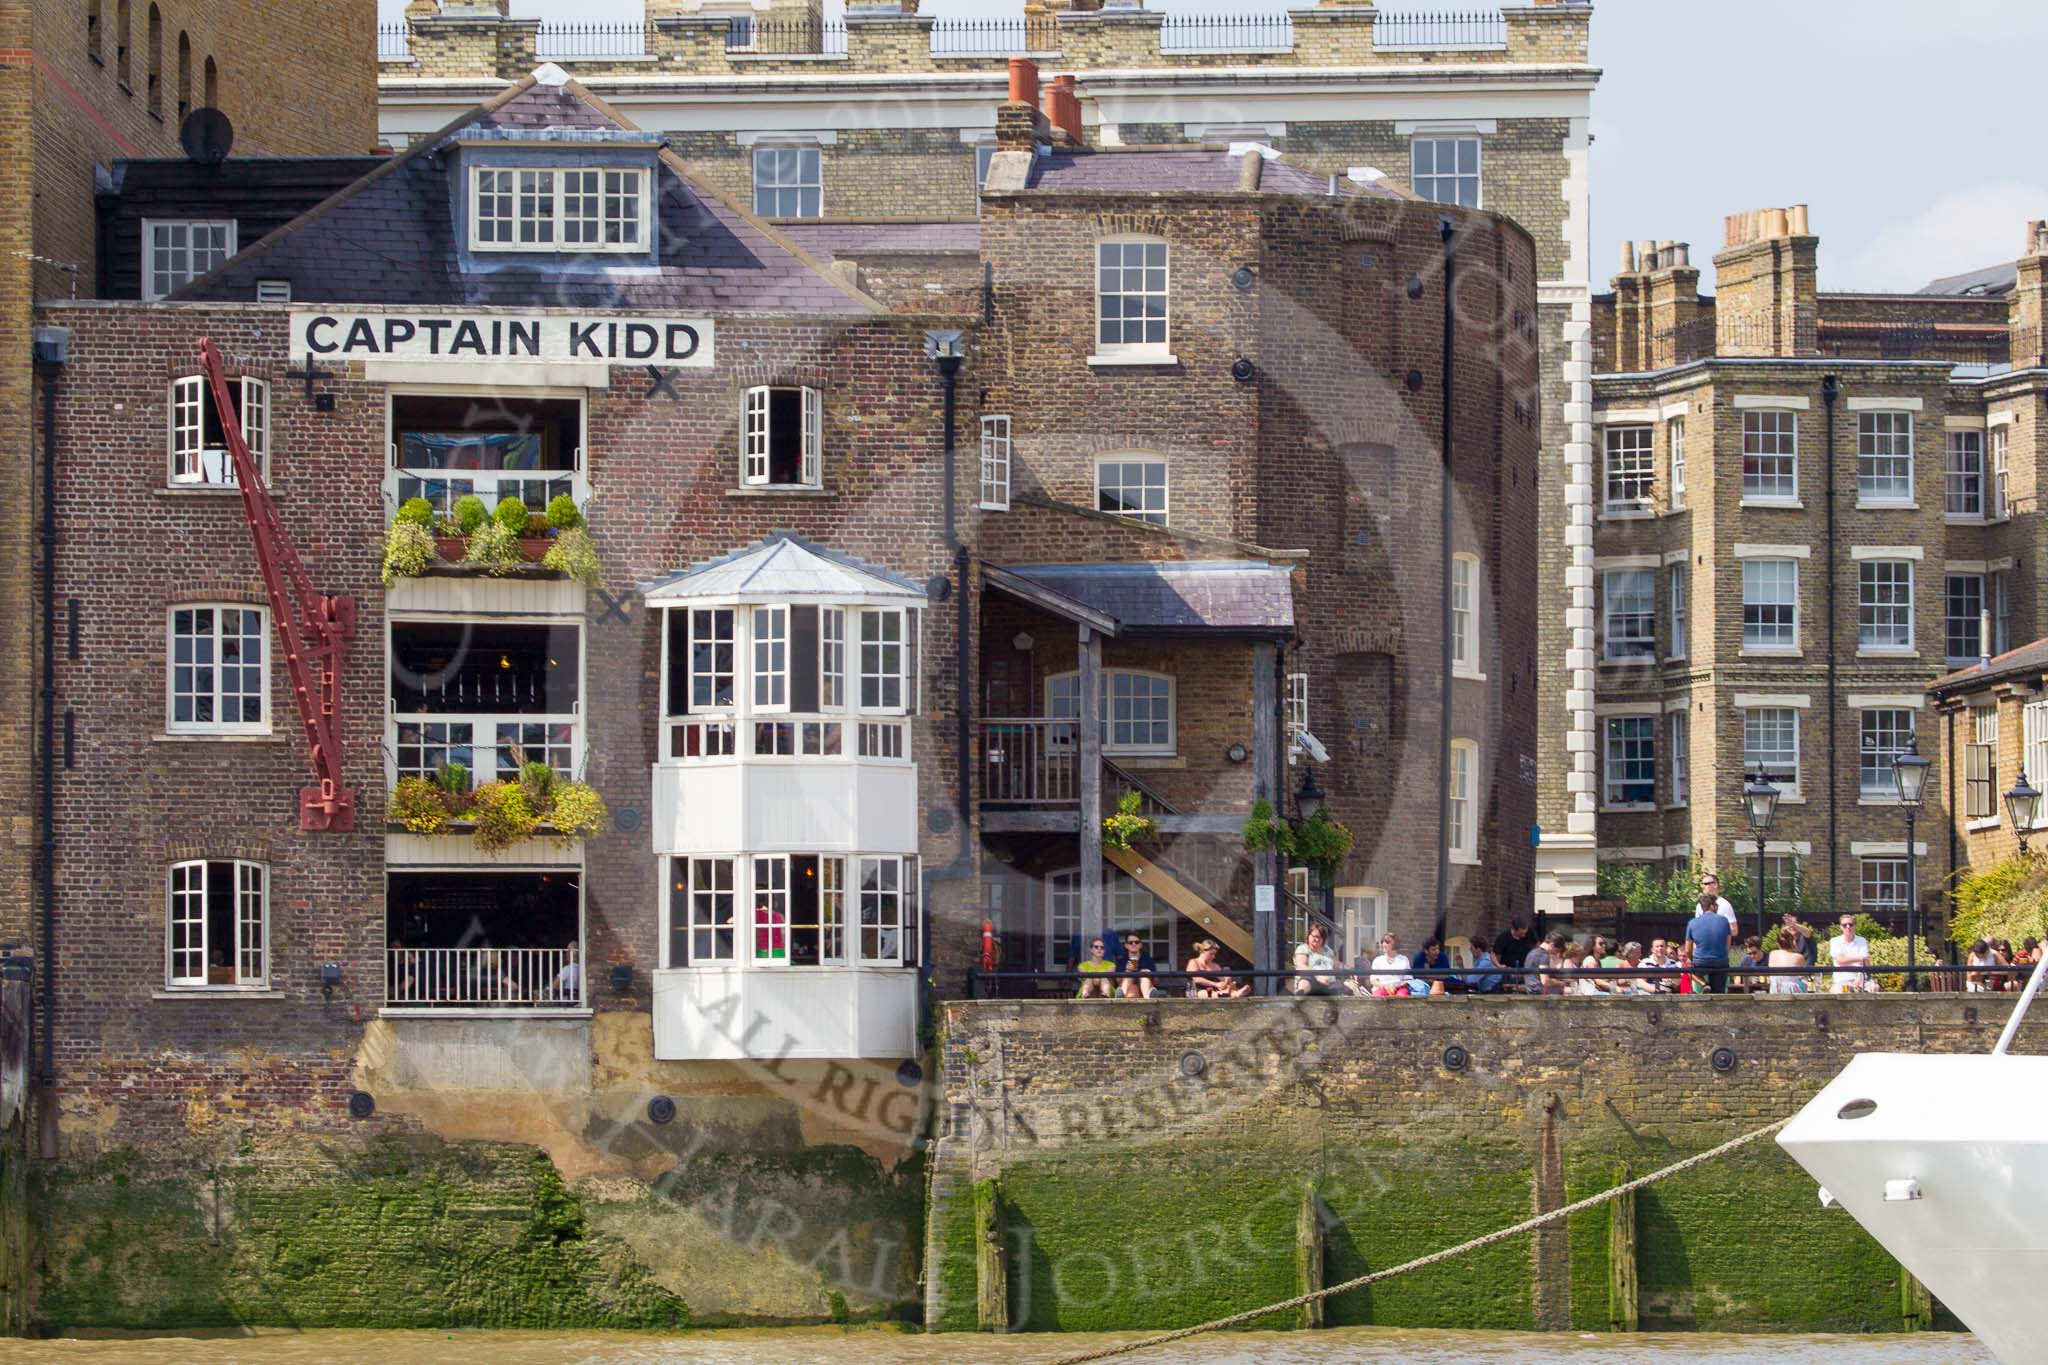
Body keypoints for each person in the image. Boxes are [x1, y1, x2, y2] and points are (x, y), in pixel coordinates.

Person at [1684, 892, 1732, 994]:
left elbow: (1687, 950)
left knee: (1688, 970)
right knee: (1718, 993)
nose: (1717, 907)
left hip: (1701, 962)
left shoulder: (1692, 923)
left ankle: (1704, 984)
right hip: (1720, 962)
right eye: (1716, 905)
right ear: (1712, 906)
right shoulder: (1724, 921)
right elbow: (1727, 945)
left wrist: (1693, 960)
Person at [1293, 922, 1341, 996]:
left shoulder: (1327, 950)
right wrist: (1318, 977)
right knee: (1306, 979)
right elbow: (1301, 965)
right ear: (1309, 935)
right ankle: (1301, 993)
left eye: (1320, 937)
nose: (1317, 939)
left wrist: (1347, 967)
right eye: (1314, 936)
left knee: (1342, 986)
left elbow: (1336, 964)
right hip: (1312, 981)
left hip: (1328, 983)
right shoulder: (1303, 948)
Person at [1828, 914, 1872, 995]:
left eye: (1850, 924)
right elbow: (1840, 961)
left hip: (1861, 981)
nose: (1848, 927)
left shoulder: (1862, 941)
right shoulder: (1835, 941)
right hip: (1842, 982)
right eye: (1844, 925)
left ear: (1854, 926)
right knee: (1838, 993)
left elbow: (1865, 961)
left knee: (1874, 988)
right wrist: (1859, 958)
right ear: (1841, 927)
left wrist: (1859, 978)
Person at [1367, 932, 1412, 998]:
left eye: (1387, 942)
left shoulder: (1404, 959)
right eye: (1382, 942)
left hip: (1399, 988)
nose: (1384, 944)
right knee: (1377, 996)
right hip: (1382, 988)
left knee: (1402, 996)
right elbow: (1373, 980)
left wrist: (1396, 986)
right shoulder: (1377, 960)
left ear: (1395, 944)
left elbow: (1408, 979)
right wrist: (1385, 986)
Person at [1116, 932, 1158, 999]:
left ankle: (1148, 999)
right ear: (1126, 945)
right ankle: (1121, 996)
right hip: (1129, 987)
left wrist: (1150, 973)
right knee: (1128, 977)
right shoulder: (1121, 960)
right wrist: (1127, 971)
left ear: (1140, 945)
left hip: (1145, 986)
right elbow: (1118, 980)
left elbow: (1156, 980)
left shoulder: (1147, 959)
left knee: (1144, 978)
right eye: (1130, 942)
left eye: (1136, 942)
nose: (1133, 944)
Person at [1767, 927, 1807, 994]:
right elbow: (1804, 976)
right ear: (1793, 942)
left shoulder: (1772, 954)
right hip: (1794, 989)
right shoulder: (1799, 957)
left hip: (1776, 989)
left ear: (1778, 944)